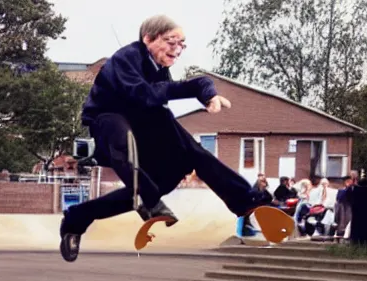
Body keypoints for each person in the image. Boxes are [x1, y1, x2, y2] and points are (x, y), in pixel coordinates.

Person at [59, 14, 270, 261]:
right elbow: (143, 94)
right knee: (125, 140)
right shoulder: (126, 58)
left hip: (145, 125)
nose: (178, 50)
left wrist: (207, 93)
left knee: (192, 152)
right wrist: (193, 88)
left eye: (182, 45)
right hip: (107, 119)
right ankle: (148, 198)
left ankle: (246, 202)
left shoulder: (160, 69)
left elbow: (167, 94)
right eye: (172, 42)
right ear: (149, 38)